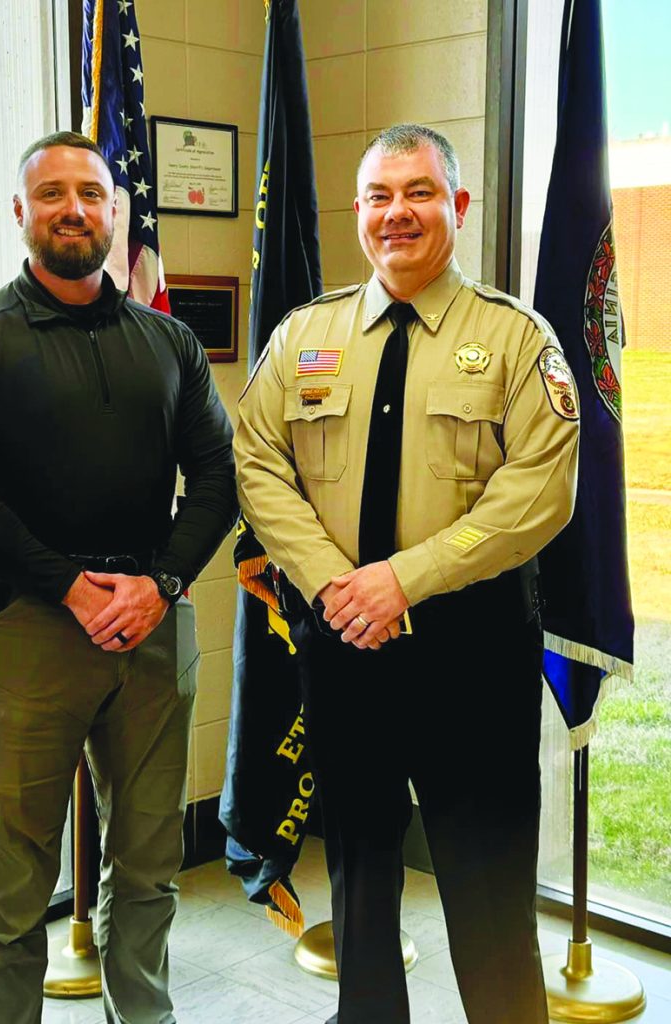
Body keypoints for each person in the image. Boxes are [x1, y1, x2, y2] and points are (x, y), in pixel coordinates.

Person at [234, 123, 580, 1024]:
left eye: (420, 192)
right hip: (344, 644)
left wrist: (403, 581)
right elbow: (257, 460)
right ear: (359, 213)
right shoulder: (304, 336)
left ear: (458, 206)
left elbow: (537, 496)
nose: (398, 213)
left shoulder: (516, 340)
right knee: (357, 874)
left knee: (487, 886)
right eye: (380, 196)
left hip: (472, 653)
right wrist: (338, 586)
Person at [0, 131, 238, 1024]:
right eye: (50, 194)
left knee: (149, 865)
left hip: (154, 632)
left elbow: (219, 480)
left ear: (116, 213)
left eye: (91, 194)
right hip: (31, 630)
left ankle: (146, 1015)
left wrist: (159, 584)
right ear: (20, 213)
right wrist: (69, 586)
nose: (73, 209)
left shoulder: (168, 341)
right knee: (14, 879)